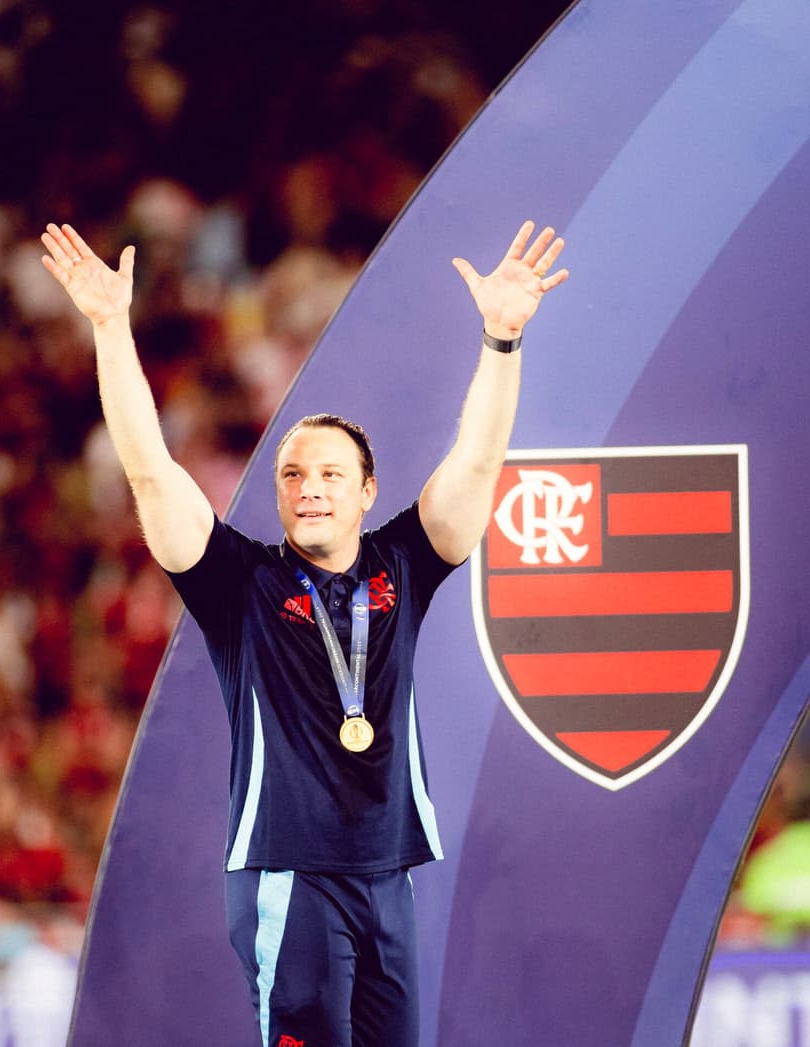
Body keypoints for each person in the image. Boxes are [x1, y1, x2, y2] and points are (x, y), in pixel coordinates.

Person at [40, 218, 568, 1047]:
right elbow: (149, 470)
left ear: (368, 491)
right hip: (290, 872)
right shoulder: (237, 582)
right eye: (292, 474)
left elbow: (475, 462)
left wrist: (502, 340)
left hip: (387, 875)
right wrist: (111, 327)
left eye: (330, 473)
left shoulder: (407, 563)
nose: (309, 487)